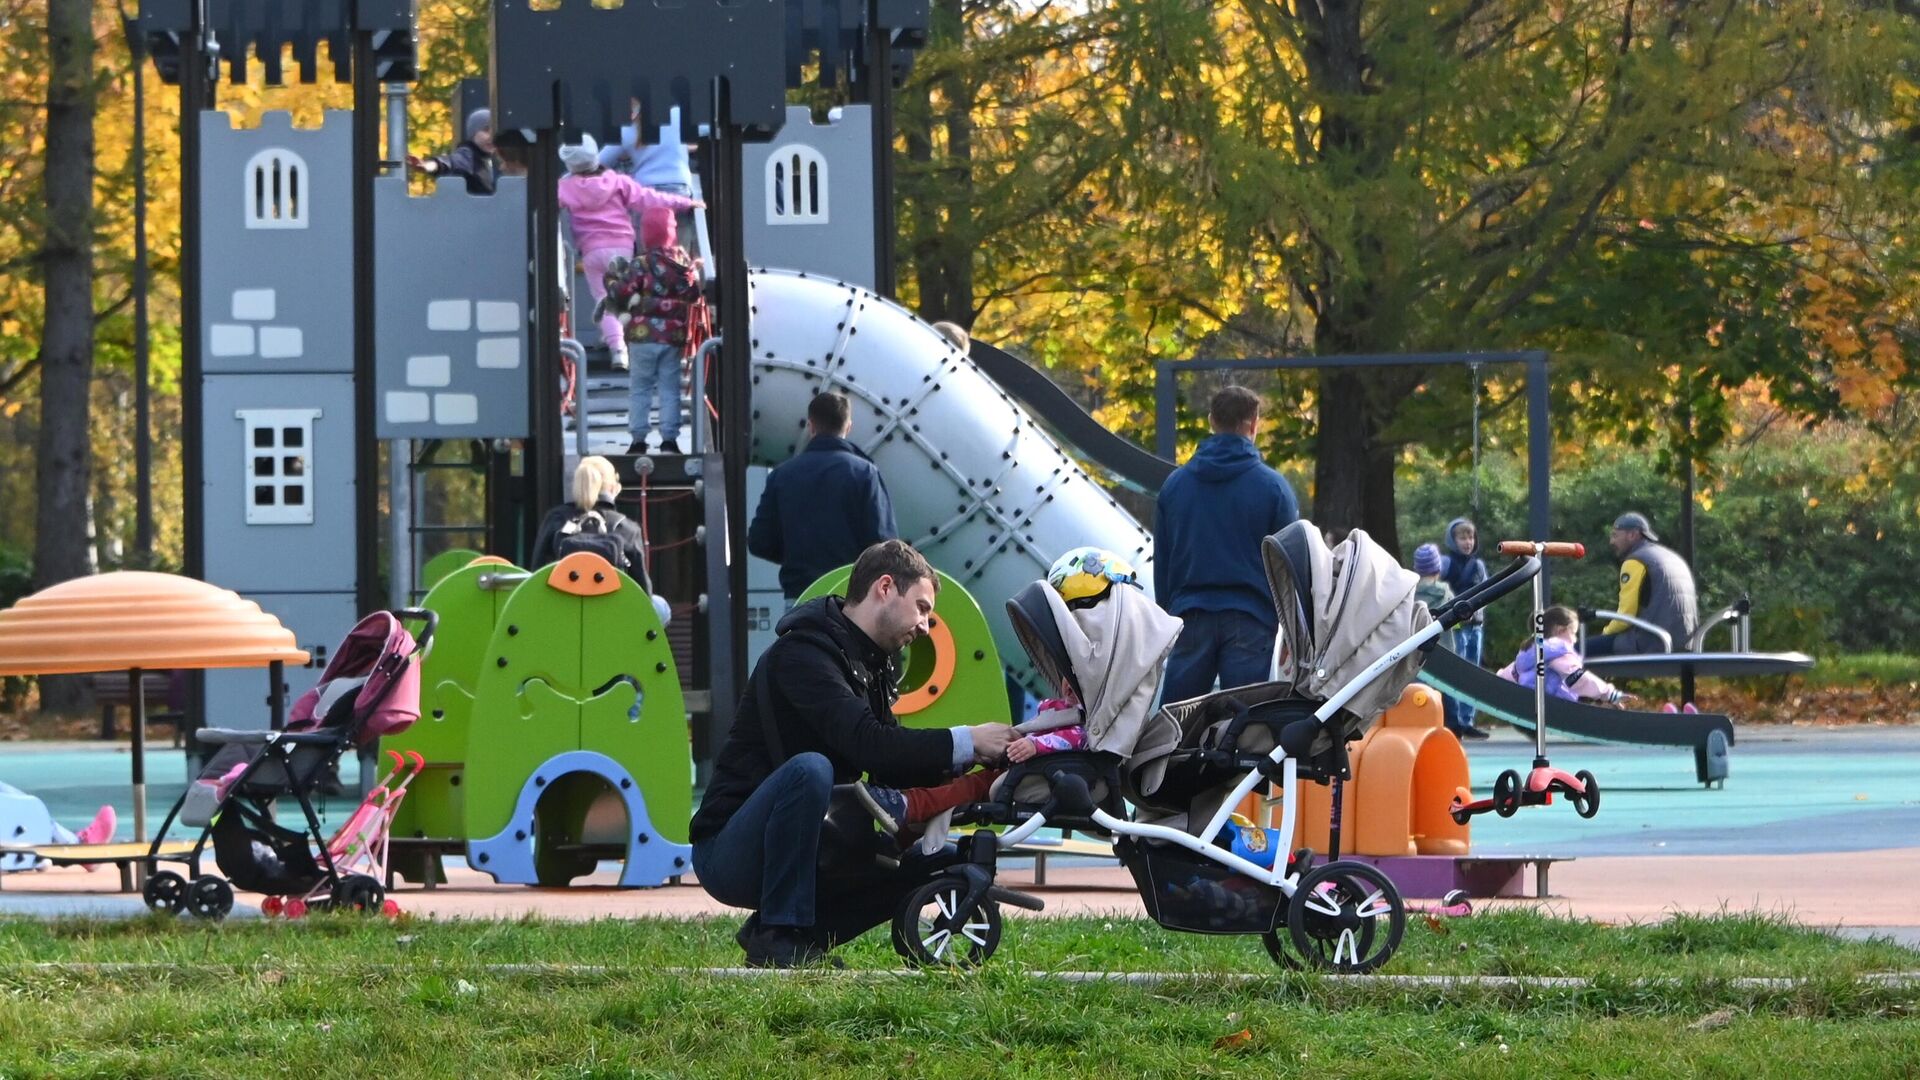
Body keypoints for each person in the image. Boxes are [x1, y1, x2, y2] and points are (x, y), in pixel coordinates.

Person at [690, 540, 1016, 967]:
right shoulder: (803, 653)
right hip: (729, 852)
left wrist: (978, 772)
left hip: (805, 839)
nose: (925, 625)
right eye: (921, 607)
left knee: (923, 862)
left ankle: (791, 936)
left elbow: (892, 765)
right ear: (885, 587)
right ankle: (779, 934)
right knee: (811, 769)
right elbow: (869, 744)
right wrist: (969, 739)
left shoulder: (870, 664)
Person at [1153, 386, 1299, 703]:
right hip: (1252, 619)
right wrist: (1293, 629)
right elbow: (1290, 565)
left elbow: (1163, 562)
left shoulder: (1175, 486)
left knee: (1177, 720)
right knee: (1245, 725)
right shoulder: (1273, 487)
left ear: (1211, 421)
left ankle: (1172, 754)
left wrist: (1166, 619)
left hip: (1190, 615)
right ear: (1253, 424)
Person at [557, 134, 703, 374]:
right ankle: (635, 342)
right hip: (621, 246)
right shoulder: (618, 181)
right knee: (624, 297)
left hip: (592, 250)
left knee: (604, 299)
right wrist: (684, 203)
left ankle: (618, 349)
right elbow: (650, 198)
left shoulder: (565, 187)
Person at [852, 691, 1084, 835]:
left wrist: (1035, 746)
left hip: (1047, 774)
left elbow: (1073, 739)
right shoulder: (1062, 712)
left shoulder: (1083, 723)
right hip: (1031, 768)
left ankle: (911, 806)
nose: (1067, 686)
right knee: (957, 783)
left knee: (970, 787)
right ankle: (905, 829)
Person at [747, 392, 898, 601]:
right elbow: (883, 545)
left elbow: (759, 541)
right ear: (848, 427)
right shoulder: (865, 473)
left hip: (801, 596)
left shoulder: (782, 475)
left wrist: (795, 554)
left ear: (811, 426)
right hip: (852, 599)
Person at [610, 206, 706, 454]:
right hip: (672, 338)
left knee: (640, 387)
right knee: (669, 388)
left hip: (642, 338)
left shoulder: (640, 263)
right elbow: (693, 293)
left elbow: (621, 291)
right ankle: (669, 441)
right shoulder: (683, 262)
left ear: (645, 234)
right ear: (672, 232)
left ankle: (638, 440)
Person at [530, 455, 651, 592]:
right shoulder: (627, 528)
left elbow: (536, 571)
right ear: (613, 488)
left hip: (561, 604)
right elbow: (642, 587)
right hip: (611, 607)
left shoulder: (556, 519)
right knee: (660, 604)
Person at [1587, 511, 1698, 657]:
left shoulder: (1636, 561)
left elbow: (1625, 616)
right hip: (1685, 643)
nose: (1612, 542)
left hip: (1651, 642)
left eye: (1615, 535)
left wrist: (1605, 634)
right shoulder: (1672, 558)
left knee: (1572, 651)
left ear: (1632, 535)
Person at [599, 104, 698, 247]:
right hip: (679, 189)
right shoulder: (677, 115)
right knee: (679, 254)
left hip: (646, 194)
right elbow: (705, 130)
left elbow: (598, 162)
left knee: (648, 257)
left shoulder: (628, 130)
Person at [1498, 606, 1634, 705]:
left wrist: (1499, 682)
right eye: (1573, 633)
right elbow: (1578, 677)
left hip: (1524, 696)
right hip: (1546, 703)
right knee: (1576, 691)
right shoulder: (1558, 650)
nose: (1575, 639)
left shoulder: (1532, 645)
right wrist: (1610, 694)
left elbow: (1515, 671)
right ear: (1561, 630)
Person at [1438, 518, 1490, 739]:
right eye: (1462, 538)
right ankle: (1455, 719)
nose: (1468, 542)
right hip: (1457, 627)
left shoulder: (1477, 565)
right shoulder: (1447, 564)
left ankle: (1468, 719)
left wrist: (1480, 614)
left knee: (1472, 672)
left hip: (1475, 625)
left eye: (1470, 537)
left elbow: (1487, 589)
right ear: (1453, 540)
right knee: (1458, 672)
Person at [408, 109, 499, 195]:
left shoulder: (494, 158)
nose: (491, 136)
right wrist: (429, 165)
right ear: (473, 133)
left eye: (495, 131)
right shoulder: (468, 155)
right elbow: (450, 162)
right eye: (486, 130)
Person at [1412, 543, 1455, 642]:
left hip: (1418, 651)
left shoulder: (1410, 594)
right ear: (1438, 569)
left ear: (1416, 569)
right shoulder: (1445, 592)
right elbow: (1458, 620)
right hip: (1445, 651)